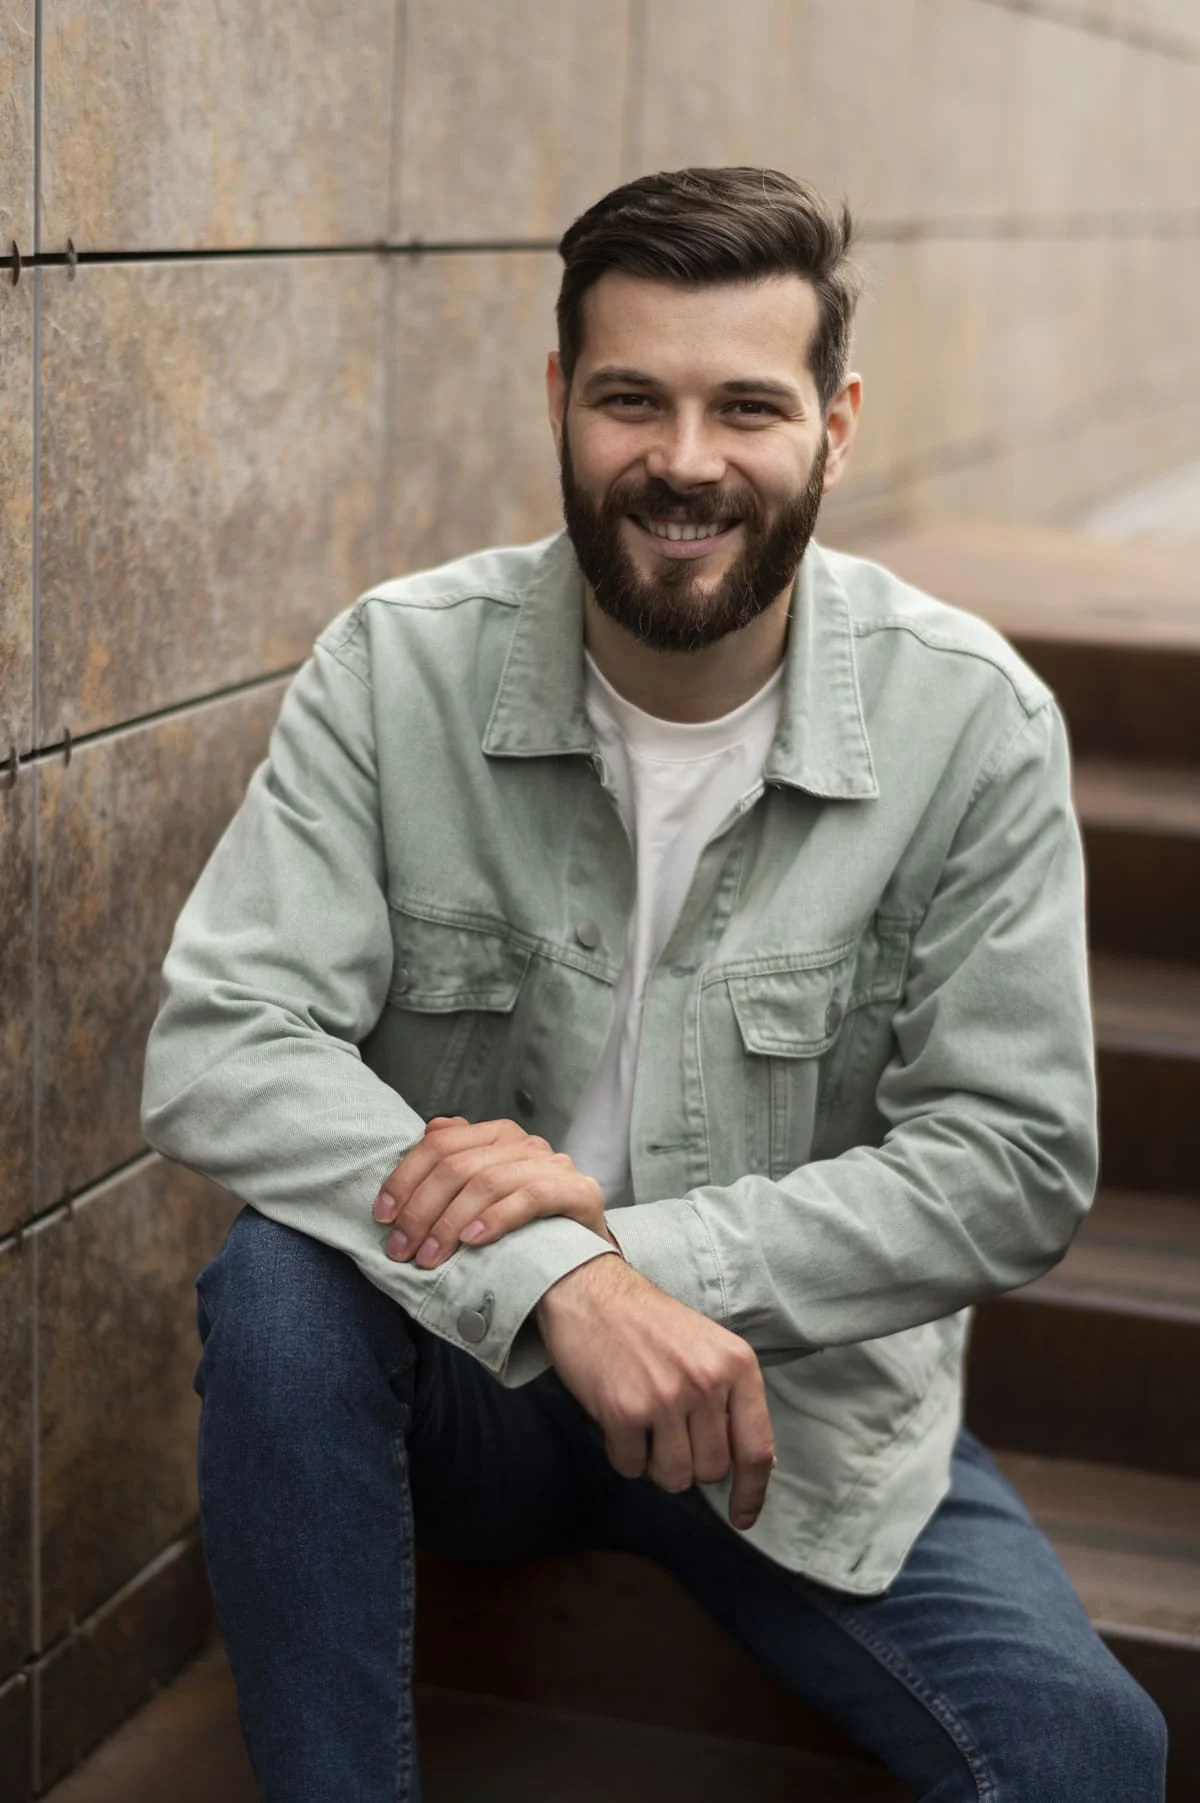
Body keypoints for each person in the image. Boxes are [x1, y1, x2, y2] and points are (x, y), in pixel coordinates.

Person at [141, 166, 1166, 1801]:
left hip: (797, 1417)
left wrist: (654, 1259)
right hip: (468, 1377)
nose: (683, 461)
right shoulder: (399, 664)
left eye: (744, 407)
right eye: (633, 398)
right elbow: (221, 1038)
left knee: (1089, 1754)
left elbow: (1014, 1163)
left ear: (833, 426)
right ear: (561, 402)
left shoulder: (971, 726)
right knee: (281, 1289)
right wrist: (565, 1281)